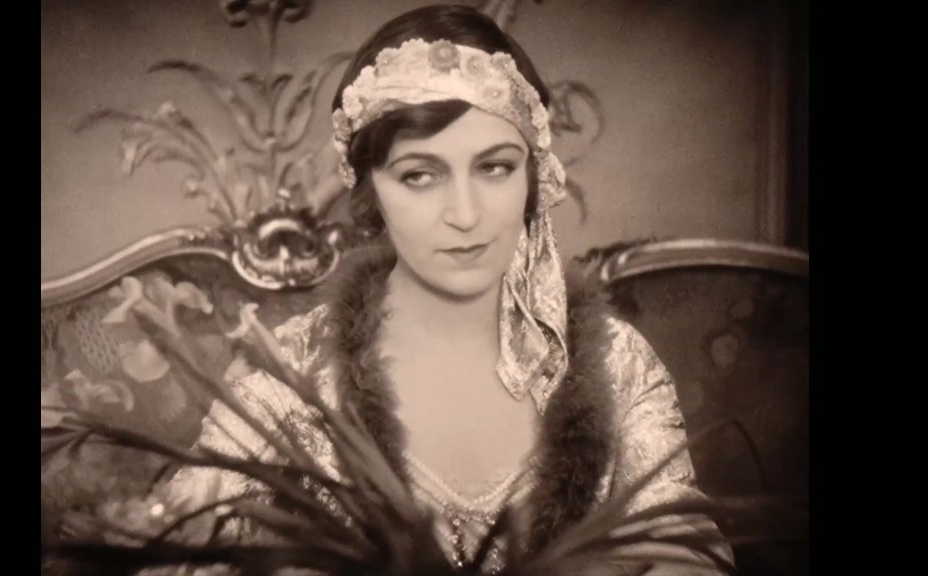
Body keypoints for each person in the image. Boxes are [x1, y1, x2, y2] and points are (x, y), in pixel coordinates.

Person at [166, 4, 731, 573]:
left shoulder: (618, 364)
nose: (465, 214)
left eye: (494, 168)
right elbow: (175, 555)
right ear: (370, 191)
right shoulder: (289, 372)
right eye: (420, 175)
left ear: (534, 178)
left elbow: (686, 550)